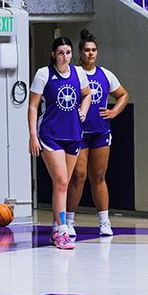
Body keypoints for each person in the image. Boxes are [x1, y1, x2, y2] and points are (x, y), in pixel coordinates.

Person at [28, 36, 91, 250]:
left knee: (63, 183)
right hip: (50, 135)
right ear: (54, 54)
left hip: (73, 134)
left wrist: (83, 109)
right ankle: (62, 231)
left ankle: (57, 226)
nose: (65, 57)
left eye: (68, 52)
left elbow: (87, 94)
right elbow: (33, 107)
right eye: (61, 53)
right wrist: (32, 136)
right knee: (62, 181)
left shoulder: (79, 73)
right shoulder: (44, 74)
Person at [67, 30, 129, 240]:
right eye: (86, 50)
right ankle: (69, 221)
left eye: (93, 50)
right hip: (80, 132)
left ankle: (104, 221)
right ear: (80, 52)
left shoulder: (105, 74)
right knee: (78, 176)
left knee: (99, 177)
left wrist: (114, 111)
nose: (90, 54)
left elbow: (123, 95)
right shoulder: (74, 72)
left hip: (101, 131)